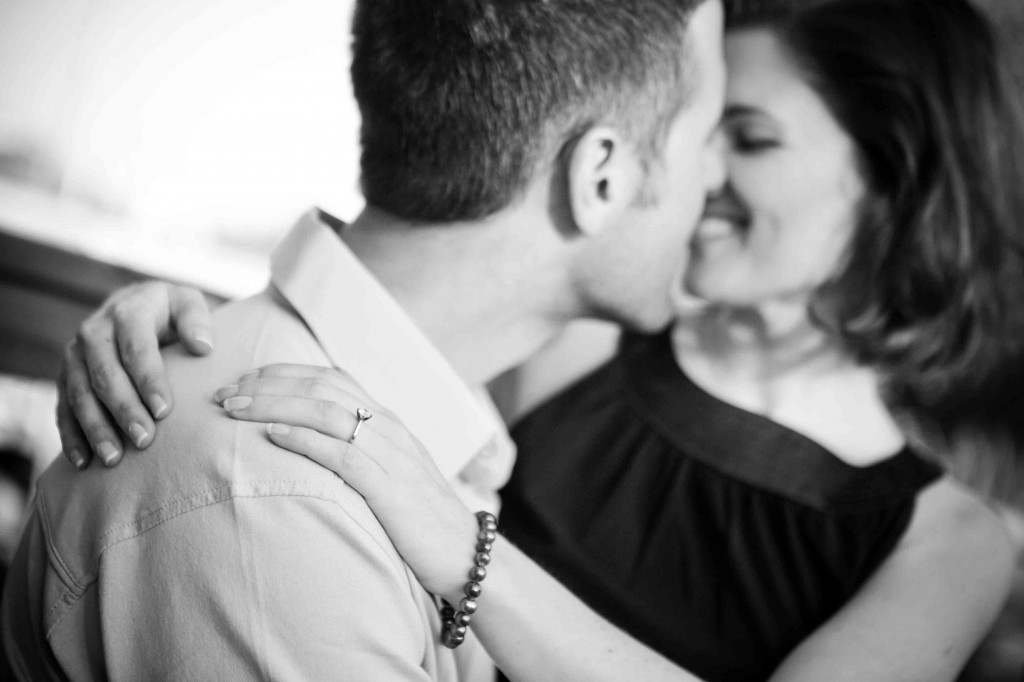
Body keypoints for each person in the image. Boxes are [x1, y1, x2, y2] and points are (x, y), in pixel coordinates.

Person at [22, 0, 1023, 680]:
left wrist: (473, 557)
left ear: (896, 181)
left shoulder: (953, 536)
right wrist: (172, 324)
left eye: (748, 137)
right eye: (699, 130)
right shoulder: (593, 334)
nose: (701, 175)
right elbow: (389, 319)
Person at [0, 0, 728, 679]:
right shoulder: (278, 507)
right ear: (600, 175)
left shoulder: (437, 410)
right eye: (710, 135)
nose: (719, 176)